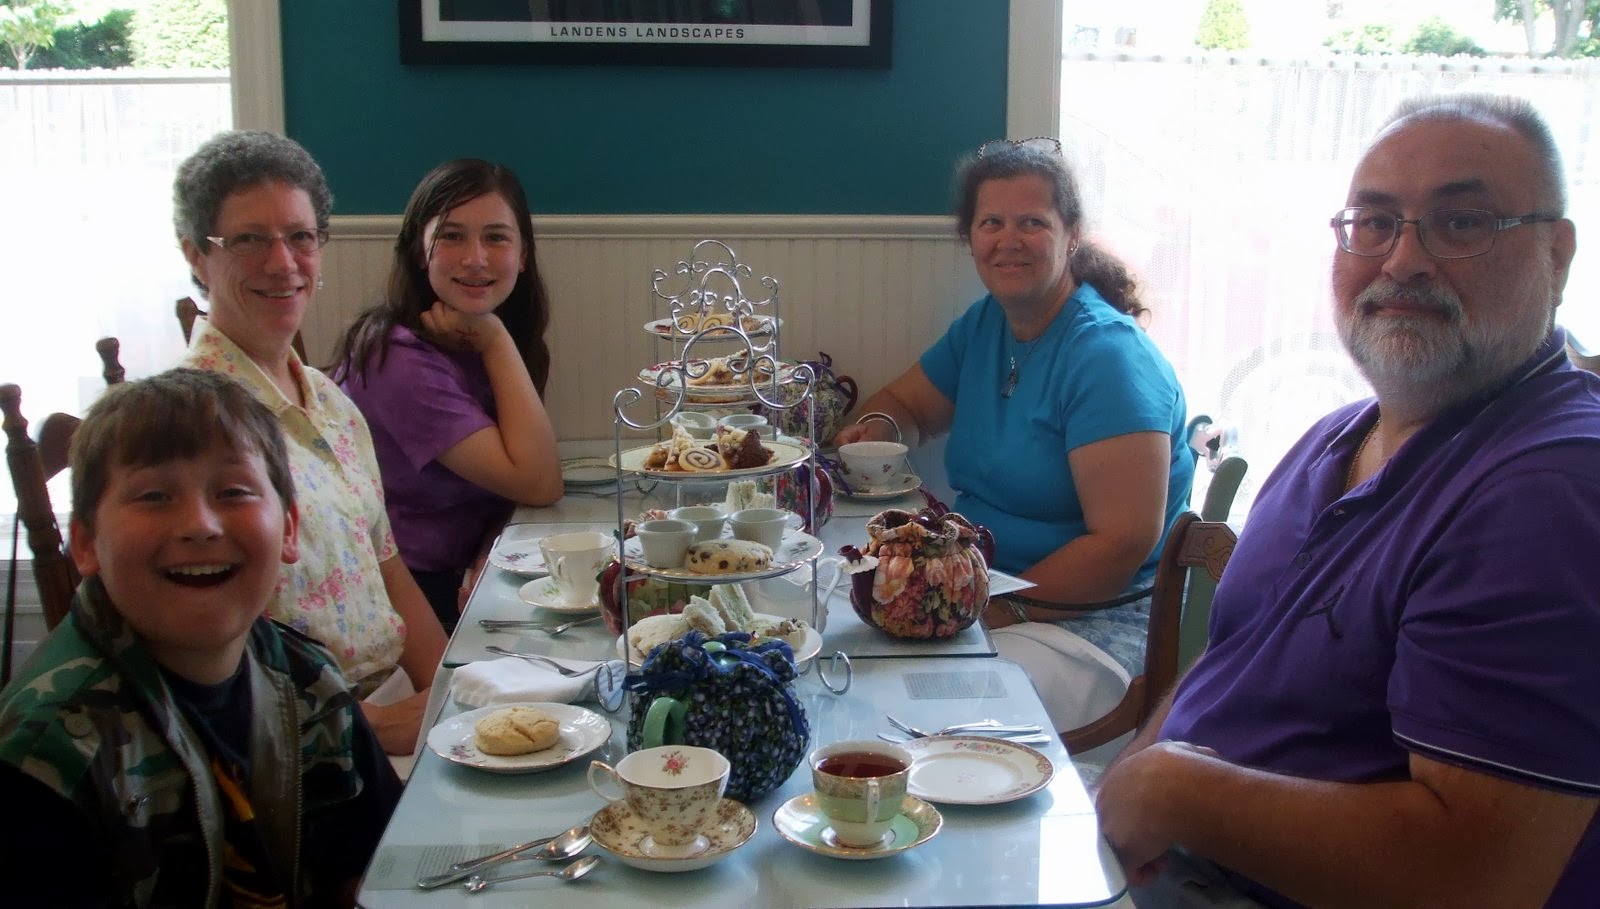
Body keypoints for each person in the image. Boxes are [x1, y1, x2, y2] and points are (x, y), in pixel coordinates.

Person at [1096, 94, 1600, 909]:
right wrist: (1133, 774)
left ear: (1557, 254)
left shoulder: (1551, 490)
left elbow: (1479, 876)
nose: (1403, 259)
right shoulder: (1333, 436)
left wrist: (1176, 791)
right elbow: (1233, 657)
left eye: (1462, 222)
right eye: (1373, 222)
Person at [0, 369, 401, 907]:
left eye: (233, 491)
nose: (201, 524)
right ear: (86, 545)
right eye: (154, 496)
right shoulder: (47, 760)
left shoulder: (312, 684)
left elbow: (375, 871)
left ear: (287, 529)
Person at [835, 138, 1194, 728]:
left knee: (909, 714)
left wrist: (986, 606)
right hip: (987, 593)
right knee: (848, 664)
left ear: (1071, 233)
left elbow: (1122, 543)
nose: (1009, 240)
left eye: (1032, 222)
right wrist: (873, 431)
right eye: (991, 223)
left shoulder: (1107, 358)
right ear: (969, 237)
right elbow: (905, 405)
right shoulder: (985, 326)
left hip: (1096, 623)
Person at [173, 130, 448, 755]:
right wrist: (370, 732)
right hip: (299, 748)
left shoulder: (330, 402)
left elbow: (387, 569)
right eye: (248, 240)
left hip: (393, 706)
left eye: (300, 237)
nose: (282, 262)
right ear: (195, 254)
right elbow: (195, 644)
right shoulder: (190, 427)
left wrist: (454, 693)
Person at [330, 159, 562, 633]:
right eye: (452, 236)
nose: (475, 257)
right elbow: (539, 482)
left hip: (465, 570)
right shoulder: (397, 358)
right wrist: (496, 340)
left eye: (496, 237)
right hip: (398, 597)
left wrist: (489, 546)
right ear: (420, 249)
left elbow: (514, 488)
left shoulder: (476, 337)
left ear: (522, 254)